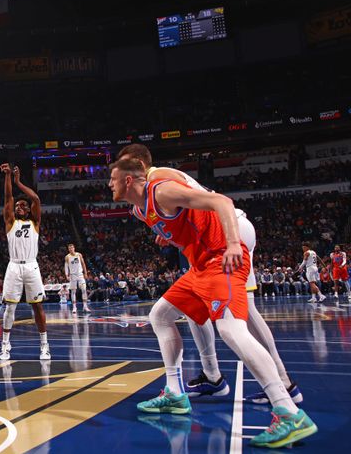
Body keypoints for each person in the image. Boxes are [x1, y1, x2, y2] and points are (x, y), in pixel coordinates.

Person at [109, 159, 317, 448]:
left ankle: (289, 411)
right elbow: (182, 224)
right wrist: (169, 236)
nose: (109, 184)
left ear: (130, 180)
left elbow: (221, 201)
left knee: (232, 330)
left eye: (113, 178)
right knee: (160, 316)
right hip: (199, 268)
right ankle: (175, 393)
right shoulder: (139, 210)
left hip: (222, 257)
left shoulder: (162, 189)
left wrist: (233, 243)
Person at [0, 163, 50, 361]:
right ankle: (5, 345)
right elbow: (8, 198)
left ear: (29, 210)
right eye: (18, 206)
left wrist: (18, 181)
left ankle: (44, 345)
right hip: (14, 266)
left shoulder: (35, 222)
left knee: (37, 306)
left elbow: (36, 198)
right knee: (10, 307)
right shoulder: (11, 222)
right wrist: (7, 177)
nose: (19, 207)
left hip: (31, 265)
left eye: (23, 206)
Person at [64, 244, 91, 313]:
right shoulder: (67, 257)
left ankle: (85, 306)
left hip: (80, 274)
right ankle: (74, 307)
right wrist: (67, 275)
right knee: (73, 291)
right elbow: (66, 266)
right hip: (73, 275)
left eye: (72, 248)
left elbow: (83, 264)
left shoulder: (79, 255)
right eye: (69, 248)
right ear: (68, 249)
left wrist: (85, 273)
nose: (71, 249)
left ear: (74, 248)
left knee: (84, 289)